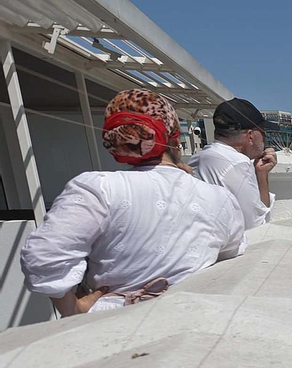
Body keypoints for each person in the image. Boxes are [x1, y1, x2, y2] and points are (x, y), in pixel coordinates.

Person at [21, 89, 245, 316]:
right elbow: (230, 255)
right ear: (174, 138)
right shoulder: (219, 197)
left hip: (112, 321)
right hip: (194, 315)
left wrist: (73, 308)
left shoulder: (97, 188)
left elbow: (44, 256)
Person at [188, 97, 277, 229]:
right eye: (263, 132)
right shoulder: (237, 163)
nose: (265, 138)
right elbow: (256, 226)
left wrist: (261, 175)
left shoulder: (198, 158)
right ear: (250, 135)